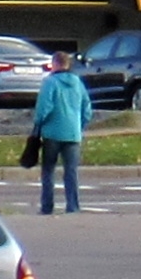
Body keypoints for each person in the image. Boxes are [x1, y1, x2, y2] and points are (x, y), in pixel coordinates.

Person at [30, 56, 92, 215]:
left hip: (52, 132)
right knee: (71, 171)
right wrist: (79, 125)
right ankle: (73, 206)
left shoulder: (50, 82)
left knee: (48, 170)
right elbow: (87, 109)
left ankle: (47, 206)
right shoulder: (78, 83)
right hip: (73, 133)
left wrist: (38, 122)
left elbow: (45, 107)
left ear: (55, 64)